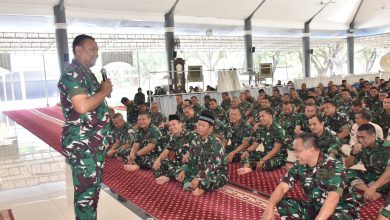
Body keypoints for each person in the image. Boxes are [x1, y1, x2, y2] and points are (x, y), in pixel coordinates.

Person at [57, 34, 112, 219]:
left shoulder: (85, 73)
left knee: (91, 193)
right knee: (86, 196)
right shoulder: (73, 73)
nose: (96, 54)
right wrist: (104, 91)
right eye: (92, 49)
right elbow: (82, 106)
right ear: (78, 50)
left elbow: (91, 104)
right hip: (83, 144)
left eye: (97, 49)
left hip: (92, 143)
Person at [261, 132, 360, 220]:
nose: (295, 154)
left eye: (297, 150)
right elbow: (282, 187)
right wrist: (269, 207)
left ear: (311, 150)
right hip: (317, 207)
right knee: (284, 203)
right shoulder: (299, 165)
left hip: (341, 210)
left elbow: (333, 198)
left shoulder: (333, 165)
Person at [176, 112, 228, 196]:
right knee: (178, 172)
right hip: (199, 170)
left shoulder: (216, 143)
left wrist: (198, 178)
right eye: (199, 124)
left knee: (205, 181)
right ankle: (194, 185)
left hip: (215, 173)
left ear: (210, 129)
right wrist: (183, 170)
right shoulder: (195, 140)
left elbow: (212, 167)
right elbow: (190, 160)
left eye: (203, 126)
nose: (199, 127)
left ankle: (200, 187)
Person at [345, 124, 390, 203]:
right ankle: (371, 191)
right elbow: (347, 165)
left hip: (385, 179)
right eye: (358, 137)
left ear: (373, 136)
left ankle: (373, 190)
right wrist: (353, 153)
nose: (360, 140)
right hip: (371, 176)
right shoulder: (361, 147)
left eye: (363, 137)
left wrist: (374, 187)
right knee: (346, 173)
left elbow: (388, 173)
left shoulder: (386, 147)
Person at [237, 108, 287, 175]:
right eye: (260, 116)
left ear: (270, 116)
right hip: (266, 153)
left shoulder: (279, 130)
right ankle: (246, 168)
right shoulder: (261, 128)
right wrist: (247, 151)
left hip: (278, 156)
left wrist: (263, 160)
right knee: (244, 156)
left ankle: (253, 165)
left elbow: (275, 150)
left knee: (267, 164)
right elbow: (255, 144)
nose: (260, 118)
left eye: (263, 116)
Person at [153, 115, 192, 185]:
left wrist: (189, 153)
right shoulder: (173, 137)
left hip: (189, 165)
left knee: (185, 179)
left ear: (180, 124)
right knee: (159, 164)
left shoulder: (190, 135)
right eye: (170, 126)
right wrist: (158, 160)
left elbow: (197, 151)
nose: (172, 127)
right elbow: (166, 151)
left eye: (174, 124)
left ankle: (169, 176)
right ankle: (172, 176)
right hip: (178, 164)